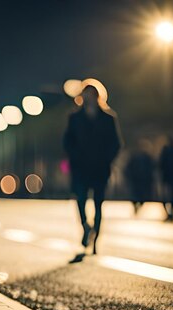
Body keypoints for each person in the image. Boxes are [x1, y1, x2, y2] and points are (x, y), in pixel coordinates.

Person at [63, 85, 122, 254]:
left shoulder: (109, 118)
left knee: (98, 204)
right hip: (80, 168)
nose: (88, 97)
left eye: (91, 94)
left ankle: (96, 238)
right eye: (85, 94)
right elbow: (67, 141)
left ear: (97, 96)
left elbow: (116, 143)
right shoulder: (74, 117)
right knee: (80, 199)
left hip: (100, 168)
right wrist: (74, 156)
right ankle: (85, 227)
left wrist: (107, 159)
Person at [124, 146, 155, 215]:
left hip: (141, 180)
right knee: (137, 194)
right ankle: (136, 206)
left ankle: (137, 206)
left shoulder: (146, 158)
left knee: (139, 194)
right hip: (137, 179)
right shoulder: (137, 158)